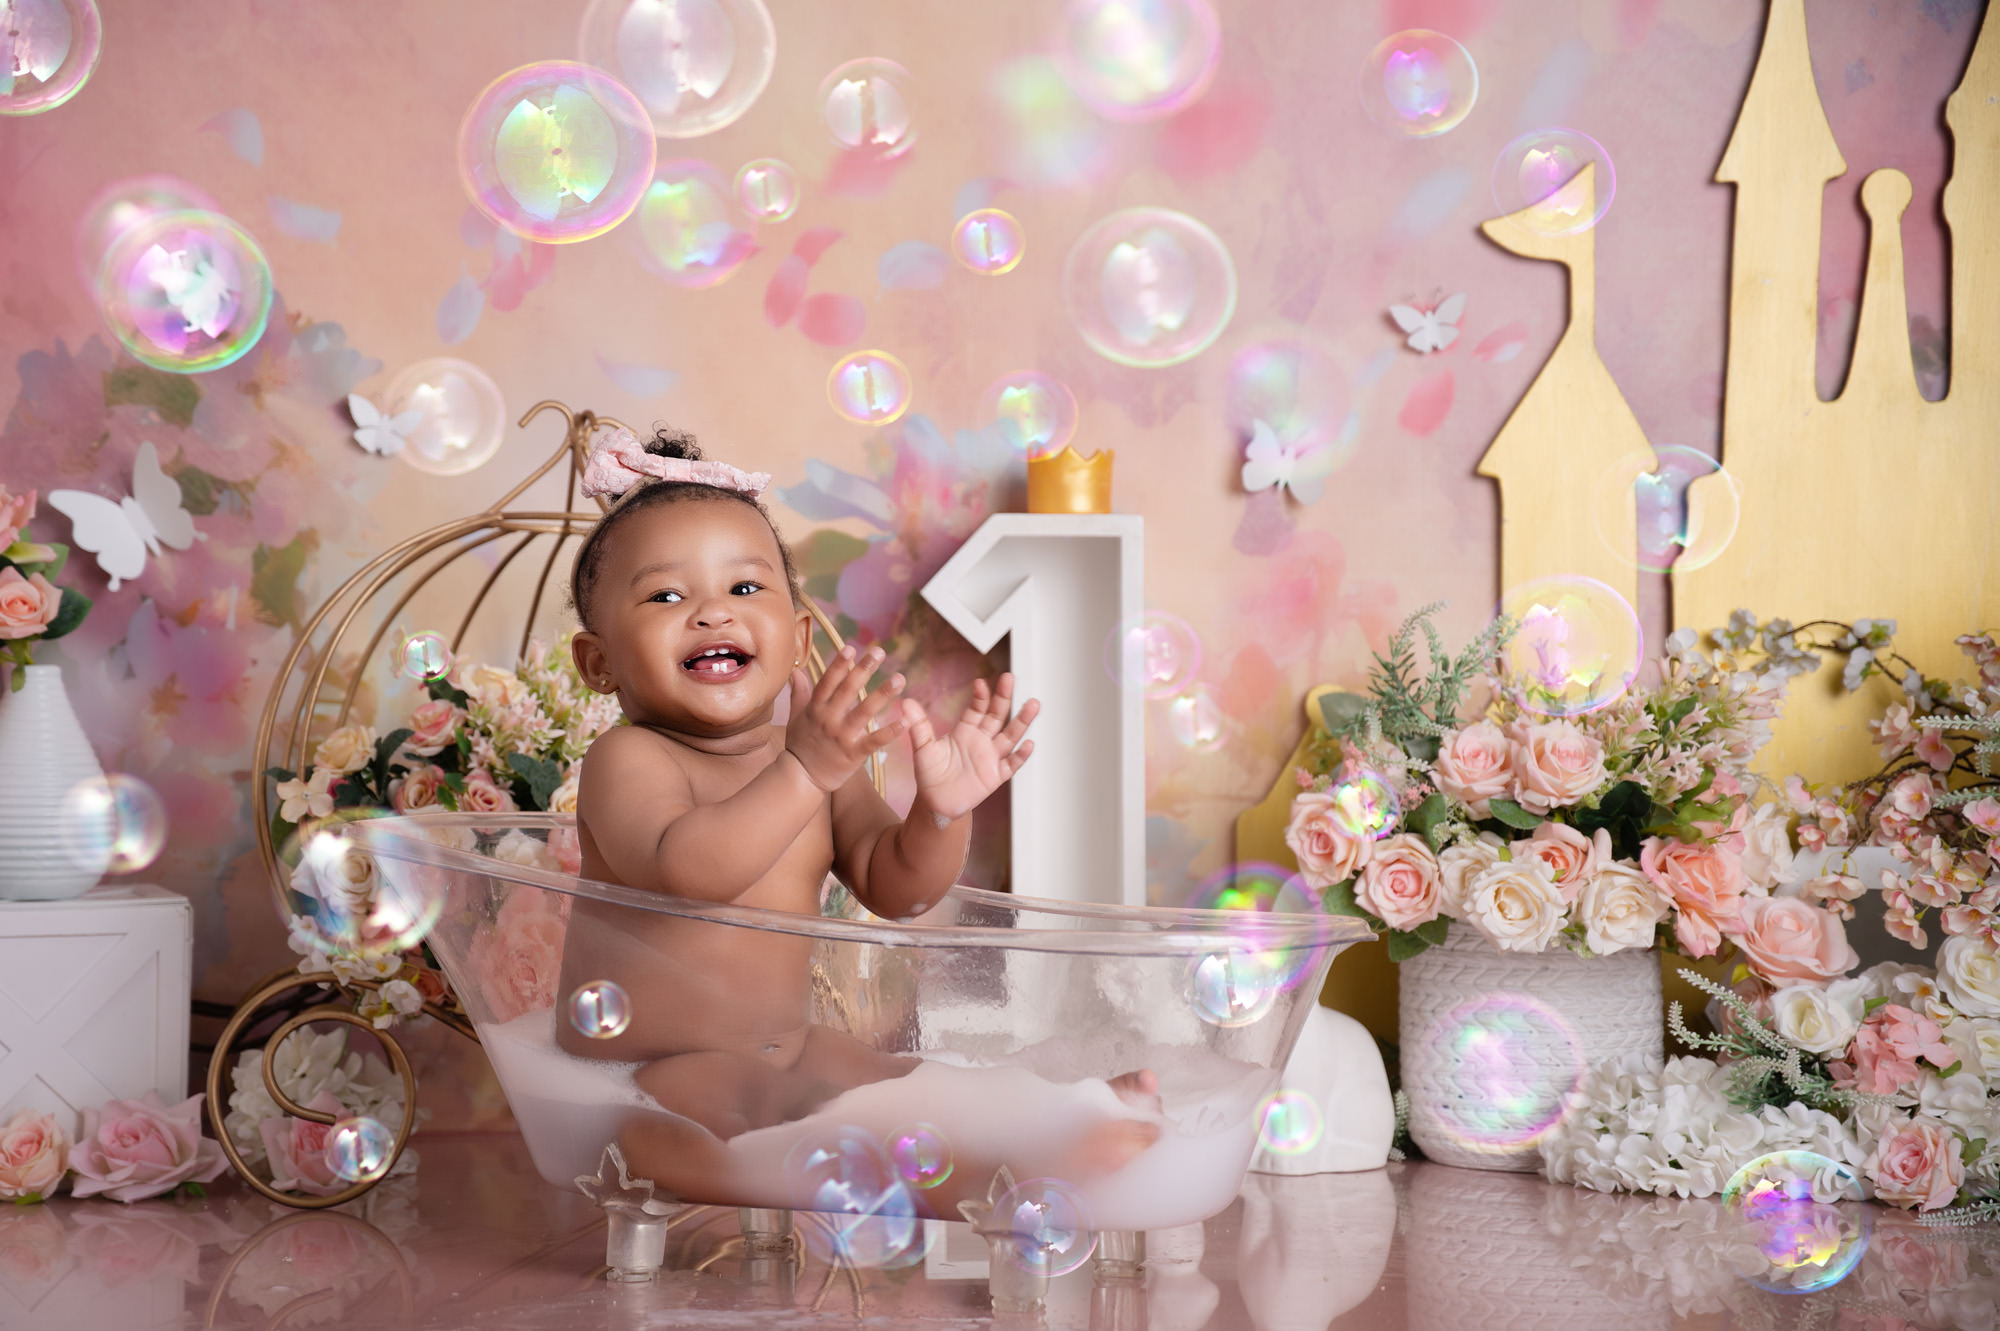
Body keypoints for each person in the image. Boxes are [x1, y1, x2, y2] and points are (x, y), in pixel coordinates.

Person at [558, 424, 1158, 1209]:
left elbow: (897, 888)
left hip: (793, 1045)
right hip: (657, 1061)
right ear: (598, 662)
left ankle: (1049, 1113)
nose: (711, 613)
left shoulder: (813, 762)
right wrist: (805, 769)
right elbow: (685, 868)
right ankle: (990, 1181)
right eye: (667, 595)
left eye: (744, 588)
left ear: (799, 636)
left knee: (906, 1076)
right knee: (706, 1121)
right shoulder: (630, 760)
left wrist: (941, 814)